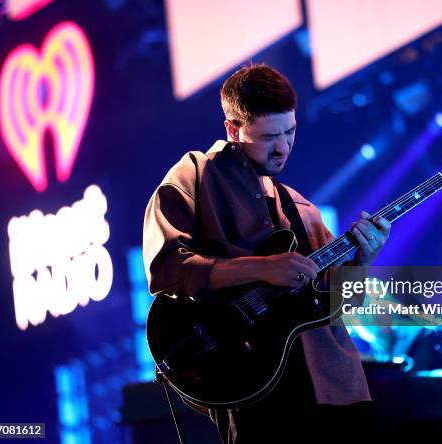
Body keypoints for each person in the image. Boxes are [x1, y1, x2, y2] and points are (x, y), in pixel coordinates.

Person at [143, 63, 391, 443]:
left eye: (290, 132)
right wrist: (262, 268)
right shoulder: (193, 175)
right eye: (269, 136)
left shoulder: (301, 207)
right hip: (253, 387)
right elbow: (168, 269)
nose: (283, 147)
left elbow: (340, 301)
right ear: (233, 129)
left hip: (337, 387)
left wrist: (363, 261)